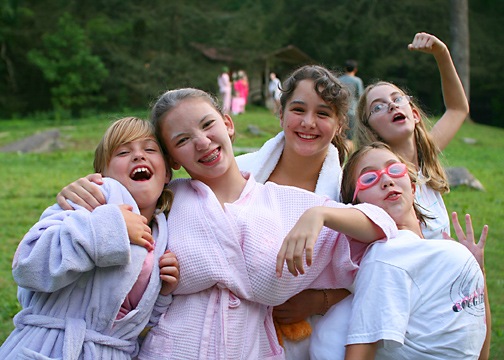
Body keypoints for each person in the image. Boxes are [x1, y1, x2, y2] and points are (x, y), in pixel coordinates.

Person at [56, 88, 398, 359]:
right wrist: (80, 189)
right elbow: (108, 204)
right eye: (182, 140)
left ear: (228, 124)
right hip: (169, 350)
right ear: (172, 158)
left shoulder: (282, 203)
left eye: (207, 125)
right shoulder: (166, 201)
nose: (202, 142)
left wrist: (320, 215)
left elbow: (382, 227)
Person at [279, 142, 490, 359]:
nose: (387, 180)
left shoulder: (441, 249)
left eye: (395, 169)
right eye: (369, 178)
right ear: (356, 204)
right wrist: (319, 214)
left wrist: (477, 270)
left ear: (413, 186)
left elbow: (476, 330)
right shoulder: (387, 256)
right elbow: (361, 351)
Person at [0, 117, 180, 359]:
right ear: (100, 174)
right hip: (50, 347)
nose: (139, 156)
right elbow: (28, 265)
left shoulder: (163, 232)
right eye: (123, 152)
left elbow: (135, 323)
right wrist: (107, 229)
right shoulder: (88, 202)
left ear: (167, 172)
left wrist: (163, 291)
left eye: (150, 149)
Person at [237, 64, 351, 359]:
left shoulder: (348, 192)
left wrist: (319, 301)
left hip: (305, 341)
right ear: (281, 113)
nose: (308, 122)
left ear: (339, 124)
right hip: (233, 329)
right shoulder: (240, 171)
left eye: (323, 113)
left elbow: (378, 268)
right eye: (298, 110)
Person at [354, 32, 470, 240]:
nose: (391, 105)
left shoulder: (425, 158)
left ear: (414, 114)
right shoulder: (382, 182)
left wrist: (441, 53)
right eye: (378, 107)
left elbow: (457, 109)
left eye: (397, 98)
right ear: (370, 130)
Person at [338, 59, 364, 142]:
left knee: (340, 135)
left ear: (345, 68)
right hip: (352, 111)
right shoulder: (357, 81)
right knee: (350, 138)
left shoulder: (338, 80)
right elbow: (360, 97)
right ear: (355, 69)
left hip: (340, 110)